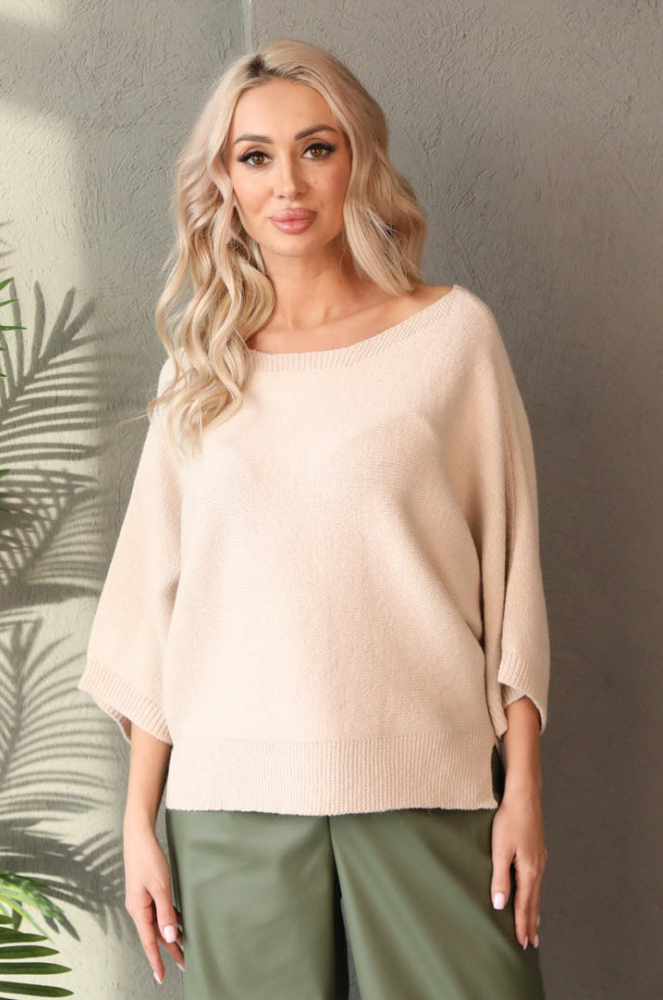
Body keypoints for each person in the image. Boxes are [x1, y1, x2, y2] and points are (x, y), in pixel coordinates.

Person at [78, 37, 551, 999]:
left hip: (431, 787)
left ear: (356, 162)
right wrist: (138, 826)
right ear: (225, 179)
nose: (287, 184)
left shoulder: (451, 338)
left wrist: (525, 795)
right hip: (228, 800)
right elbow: (152, 614)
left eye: (316, 149)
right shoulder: (201, 367)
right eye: (255, 156)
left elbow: (513, 587)